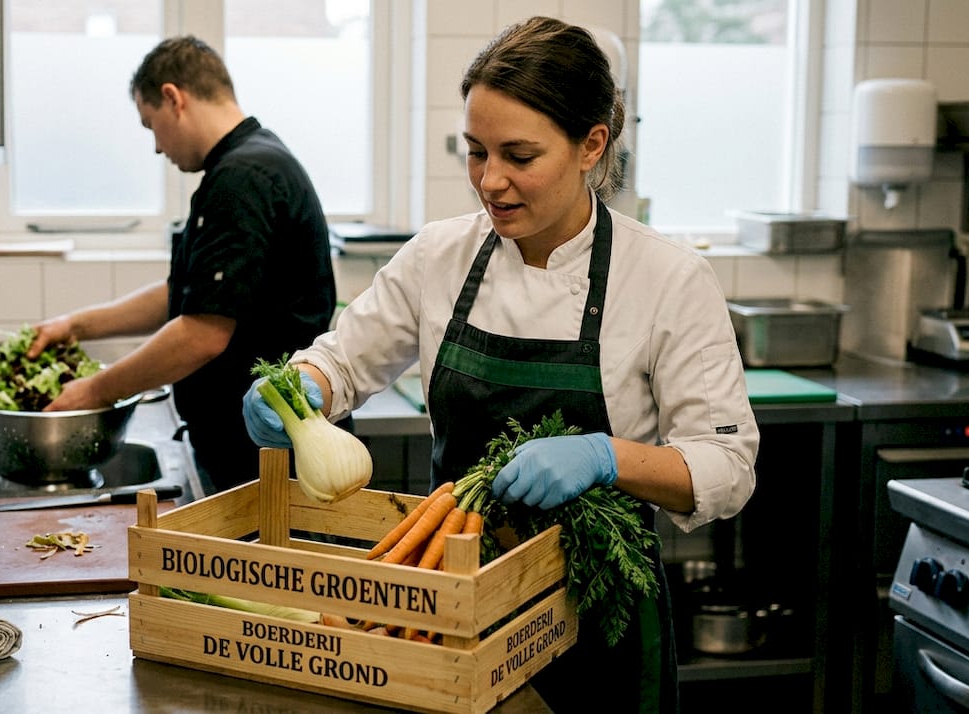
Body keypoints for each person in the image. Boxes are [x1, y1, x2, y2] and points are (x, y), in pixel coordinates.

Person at [241, 16, 758, 713]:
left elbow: (727, 470)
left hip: (599, 623)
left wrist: (605, 456)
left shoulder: (667, 278)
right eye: (476, 152)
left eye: (519, 155)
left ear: (592, 145)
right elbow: (343, 358)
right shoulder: (440, 256)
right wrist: (303, 392)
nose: (491, 181)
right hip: (451, 607)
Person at [29, 35, 336, 493]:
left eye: (150, 124)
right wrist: (77, 326)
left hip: (262, 456)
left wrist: (94, 392)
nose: (156, 147)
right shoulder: (250, 161)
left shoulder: (241, 178)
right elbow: (190, 295)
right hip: (253, 446)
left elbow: (201, 336)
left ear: (174, 98)